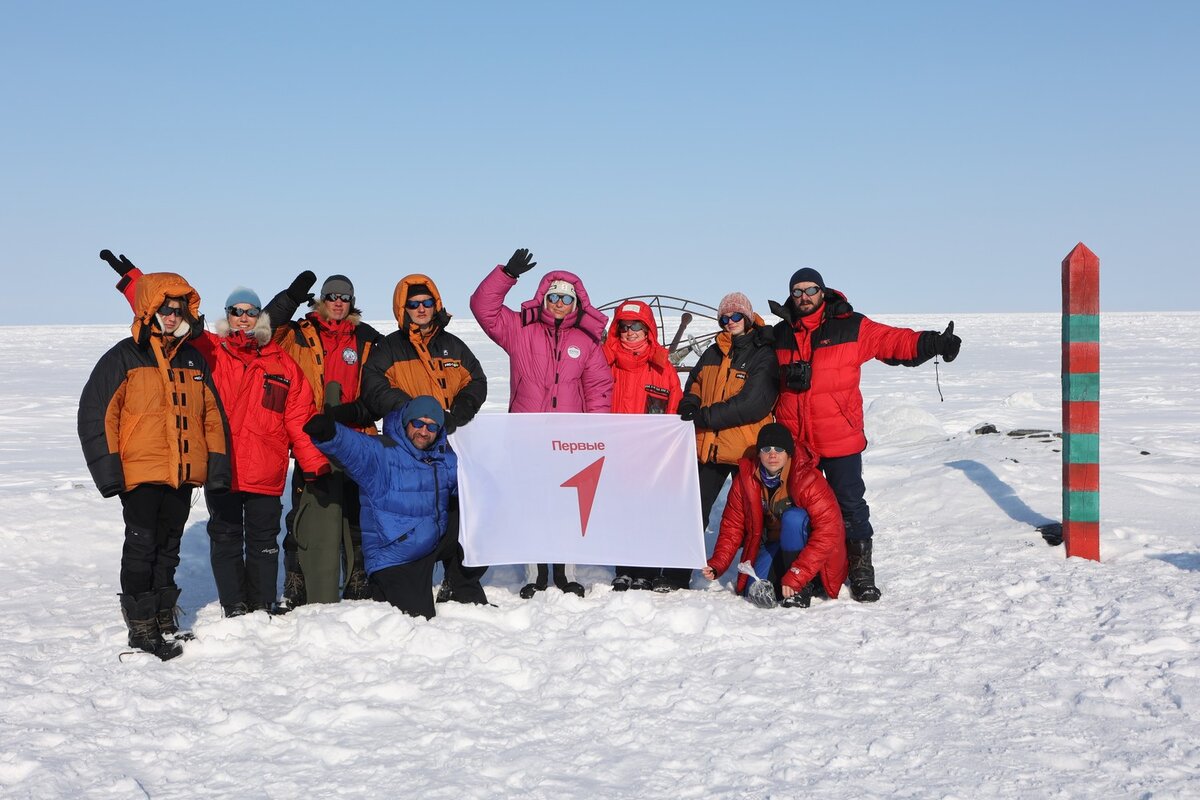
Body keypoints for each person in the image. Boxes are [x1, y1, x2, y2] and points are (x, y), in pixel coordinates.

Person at [104, 253, 327, 617]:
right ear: (227, 315)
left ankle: (261, 603)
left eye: (250, 312)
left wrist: (313, 462)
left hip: (265, 469)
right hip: (221, 466)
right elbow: (165, 310)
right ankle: (235, 605)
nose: (243, 317)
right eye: (236, 311)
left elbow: (298, 417)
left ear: (260, 317)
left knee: (263, 541)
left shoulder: (281, 363)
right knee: (224, 540)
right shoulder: (209, 349)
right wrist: (133, 280)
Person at [769, 267, 961, 602]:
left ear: (823, 292)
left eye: (810, 290)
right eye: (797, 291)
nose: (803, 297)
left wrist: (934, 342)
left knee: (850, 506)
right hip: (798, 443)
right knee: (802, 508)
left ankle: (860, 570)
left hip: (840, 437)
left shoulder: (850, 325)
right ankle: (811, 571)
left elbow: (893, 340)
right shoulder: (780, 334)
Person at [78, 269, 230, 660]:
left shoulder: (193, 358)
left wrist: (215, 467)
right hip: (140, 472)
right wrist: (108, 469)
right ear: (149, 311)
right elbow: (97, 415)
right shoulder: (124, 356)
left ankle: (163, 618)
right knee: (142, 546)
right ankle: (141, 627)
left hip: (181, 473)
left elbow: (211, 416)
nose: (172, 316)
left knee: (170, 547)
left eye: (178, 310)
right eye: (165, 309)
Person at [470, 248, 613, 598]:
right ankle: (534, 574)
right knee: (531, 502)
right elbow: (483, 308)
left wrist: (595, 432)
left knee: (567, 505)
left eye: (567, 297)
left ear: (577, 302)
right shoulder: (519, 330)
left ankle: (565, 572)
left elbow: (597, 387)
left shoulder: (586, 341)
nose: (560, 302)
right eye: (554, 296)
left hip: (569, 438)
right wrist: (506, 274)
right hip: (527, 436)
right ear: (544, 298)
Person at [357, 274, 489, 605]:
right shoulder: (390, 347)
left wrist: (460, 411)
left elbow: (476, 380)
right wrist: (412, 412)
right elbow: (373, 386)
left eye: (426, 303)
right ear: (403, 308)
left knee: (460, 514)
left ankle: (460, 582)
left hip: (449, 448)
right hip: (407, 451)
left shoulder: (454, 345)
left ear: (436, 305)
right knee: (413, 517)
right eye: (413, 304)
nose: (421, 309)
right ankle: (405, 579)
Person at [271, 275, 384, 605]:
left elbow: (381, 386)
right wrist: (288, 299)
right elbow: (262, 330)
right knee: (305, 514)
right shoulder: (297, 334)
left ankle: (358, 577)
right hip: (311, 440)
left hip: (356, 438)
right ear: (321, 299)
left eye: (345, 298)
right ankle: (298, 578)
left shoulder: (367, 339)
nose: (338, 302)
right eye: (332, 296)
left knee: (357, 514)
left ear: (352, 302)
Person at [302, 396, 457, 619]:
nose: (424, 431)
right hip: (396, 556)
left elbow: (467, 479)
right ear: (406, 422)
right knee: (418, 621)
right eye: (418, 424)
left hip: (429, 542)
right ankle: (381, 589)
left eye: (432, 426)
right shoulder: (383, 453)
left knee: (472, 517)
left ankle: (462, 589)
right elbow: (356, 448)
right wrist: (330, 434)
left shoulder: (440, 456)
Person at [675, 292, 778, 592]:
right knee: (693, 512)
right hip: (710, 448)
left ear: (747, 318)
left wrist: (703, 417)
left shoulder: (763, 353)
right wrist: (689, 403)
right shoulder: (713, 351)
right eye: (724, 317)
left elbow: (752, 404)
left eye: (736, 317)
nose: (729, 322)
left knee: (755, 515)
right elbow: (694, 382)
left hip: (744, 449)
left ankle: (756, 573)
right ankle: (677, 573)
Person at [703, 423, 847, 608]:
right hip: (773, 544)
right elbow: (733, 525)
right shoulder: (745, 480)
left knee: (793, 518)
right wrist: (718, 564)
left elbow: (828, 532)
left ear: (788, 453)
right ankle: (784, 579)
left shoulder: (809, 479)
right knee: (754, 590)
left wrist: (798, 574)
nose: (772, 454)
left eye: (779, 449)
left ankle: (805, 584)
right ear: (759, 453)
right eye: (766, 449)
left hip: (810, 551)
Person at [602, 299, 684, 591]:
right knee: (621, 509)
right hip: (615, 451)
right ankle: (623, 568)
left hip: (651, 454)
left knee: (649, 509)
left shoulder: (662, 370)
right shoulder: (603, 365)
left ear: (648, 330)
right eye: (624, 326)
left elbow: (674, 406)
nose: (630, 332)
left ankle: (646, 569)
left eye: (637, 326)